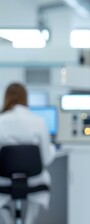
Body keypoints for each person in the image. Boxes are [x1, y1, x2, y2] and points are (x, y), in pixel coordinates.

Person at [0, 83, 56, 224]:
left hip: (4, 182)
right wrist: (53, 149)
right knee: (42, 179)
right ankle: (29, 220)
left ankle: (7, 219)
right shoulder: (38, 121)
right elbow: (47, 159)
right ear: (26, 99)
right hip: (33, 181)